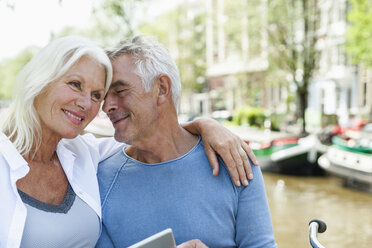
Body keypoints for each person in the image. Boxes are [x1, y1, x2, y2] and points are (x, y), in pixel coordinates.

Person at [0, 36, 257, 248]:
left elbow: (157, 134)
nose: (89, 104)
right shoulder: (97, 168)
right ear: (40, 81)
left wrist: (205, 125)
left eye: (96, 95)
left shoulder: (85, 156)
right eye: (75, 84)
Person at [96, 35, 277, 248]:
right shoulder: (101, 178)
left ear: (161, 88)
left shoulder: (235, 161)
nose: (106, 106)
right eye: (103, 96)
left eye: (119, 91)